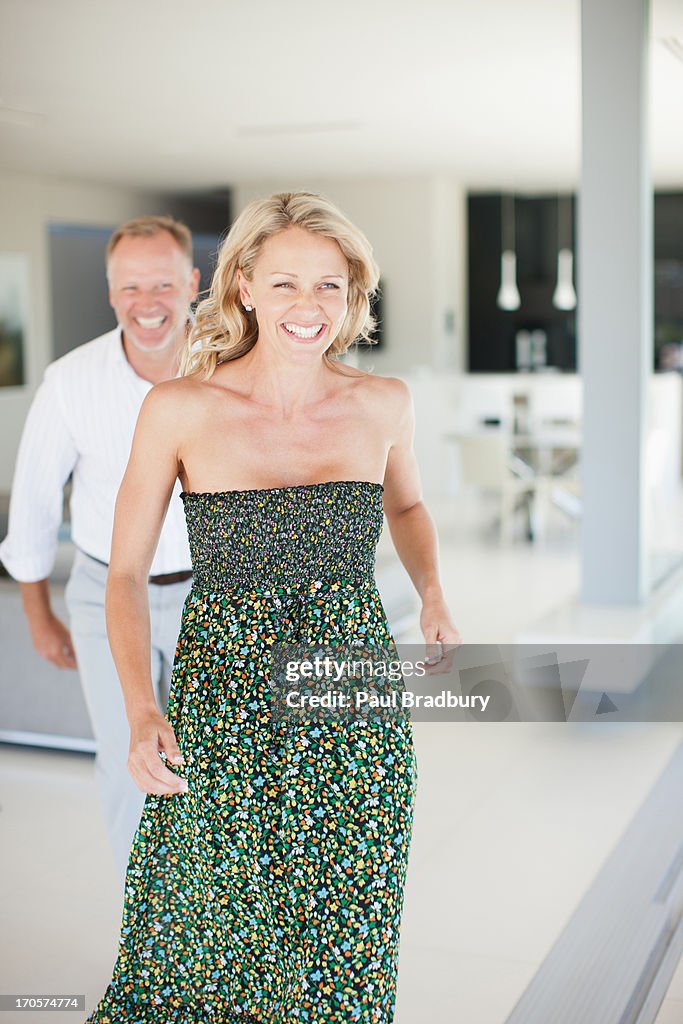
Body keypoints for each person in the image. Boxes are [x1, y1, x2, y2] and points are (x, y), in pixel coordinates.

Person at [85, 192, 460, 1024]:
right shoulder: (181, 408)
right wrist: (141, 707)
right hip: (224, 700)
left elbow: (405, 508)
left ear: (353, 293)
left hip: (352, 700)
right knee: (205, 926)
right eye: (287, 284)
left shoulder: (382, 402)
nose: (309, 307)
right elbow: (125, 573)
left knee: (345, 923)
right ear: (244, 287)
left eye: (330, 286)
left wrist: (432, 590)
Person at [0, 215, 200, 880]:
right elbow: (32, 505)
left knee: (217, 765)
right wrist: (38, 614)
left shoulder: (232, 368)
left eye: (164, 284)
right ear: (111, 293)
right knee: (131, 764)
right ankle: (148, 947)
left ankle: (219, 932)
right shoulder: (69, 381)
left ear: (193, 283)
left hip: (214, 592)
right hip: (107, 594)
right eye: (131, 286)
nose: (148, 303)